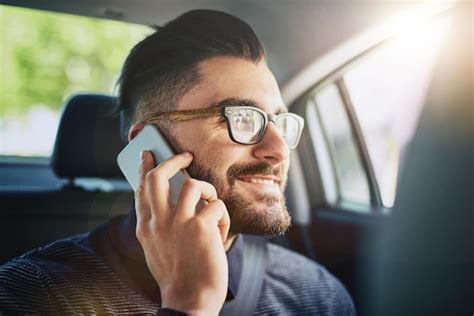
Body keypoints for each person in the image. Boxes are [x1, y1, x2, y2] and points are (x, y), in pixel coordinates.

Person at [0, 9, 355, 315]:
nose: (278, 148)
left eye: (279, 121)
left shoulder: (319, 295)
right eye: (242, 118)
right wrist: (191, 305)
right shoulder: (28, 295)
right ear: (147, 146)